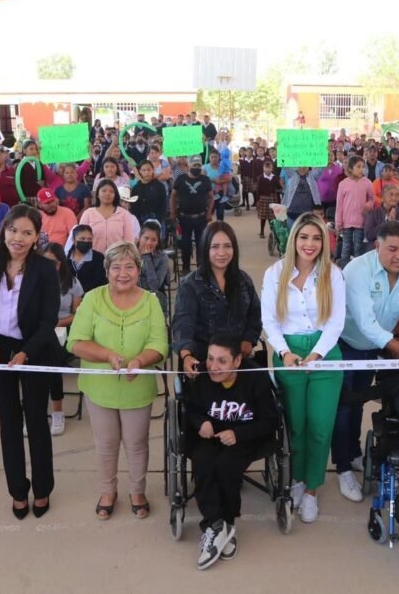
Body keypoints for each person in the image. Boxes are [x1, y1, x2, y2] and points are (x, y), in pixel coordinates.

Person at [334, 221, 399, 503]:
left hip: (373, 348)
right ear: (377, 246)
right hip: (345, 344)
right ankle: (342, 468)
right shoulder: (357, 270)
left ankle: (354, 453)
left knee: (358, 401)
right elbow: (366, 323)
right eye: (392, 249)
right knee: (344, 406)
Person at [0, 205, 61, 519]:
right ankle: (18, 491)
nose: (18, 238)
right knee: (8, 422)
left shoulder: (45, 269)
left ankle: (43, 489)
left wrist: (26, 353)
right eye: (13, 230)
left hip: (34, 349)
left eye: (26, 232)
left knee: (36, 420)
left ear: (36, 237)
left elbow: (48, 320)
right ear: (3, 230)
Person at [68, 241, 168, 521]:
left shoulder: (150, 301)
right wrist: (108, 356)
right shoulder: (92, 299)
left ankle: (137, 491)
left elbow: (160, 343)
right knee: (106, 443)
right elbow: (75, 342)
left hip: (138, 387)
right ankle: (107, 491)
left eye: (129, 267)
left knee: (137, 443)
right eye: (116, 267)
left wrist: (140, 361)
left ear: (138, 270)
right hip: (99, 389)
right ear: (107, 271)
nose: (122, 273)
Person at [260, 214, 345, 523]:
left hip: (325, 353)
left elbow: (336, 321)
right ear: (294, 239)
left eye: (317, 238)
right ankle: (296, 479)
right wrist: (284, 352)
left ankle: (311, 489)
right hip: (289, 353)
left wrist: (317, 354)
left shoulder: (333, 274)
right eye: (304, 237)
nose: (310, 244)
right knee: (295, 425)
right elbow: (269, 320)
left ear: (324, 242)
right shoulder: (275, 273)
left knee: (320, 426)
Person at [185, 334, 279, 569]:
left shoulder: (256, 378)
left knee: (227, 465)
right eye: (210, 358)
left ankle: (224, 523)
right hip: (210, 435)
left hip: (246, 436)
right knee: (203, 462)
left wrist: (239, 434)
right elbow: (190, 409)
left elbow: (270, 421)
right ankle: (217, 526)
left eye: (222, 361)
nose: (213, 366)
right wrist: (200, 423)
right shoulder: (201, 376)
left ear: (237, 361)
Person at [173, 222, 262, 378]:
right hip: (205, 362)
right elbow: (183, 323)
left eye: (227, 246)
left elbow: (254, 314)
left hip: (238, 360)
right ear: (205, 249)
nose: (221, 253)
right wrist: (186, 355)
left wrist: (248, 340)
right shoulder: (190, 285)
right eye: (215, 247)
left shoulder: (244, 281)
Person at [40, 243, 82, 436]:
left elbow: (77, 315)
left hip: (62, 328)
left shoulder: (71, 283)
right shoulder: (33, 280)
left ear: (61, 264)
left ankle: (57, 412)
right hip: (39, 329)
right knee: (34, 365)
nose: (50, 266)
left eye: (54, 263)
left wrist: (56, 323)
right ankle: (35, 412)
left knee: (53, 361)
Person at [171, 156, 213, 275]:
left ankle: (201, 268)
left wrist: (209, 213)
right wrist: (173, 213)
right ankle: (185, 268)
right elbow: (173, 196)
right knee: (185, 244)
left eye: (198, 165)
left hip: (201, 217)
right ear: (189, 166)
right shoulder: (180, 179)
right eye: (194, 165)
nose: (196, 167)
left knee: (201, 243)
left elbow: (211, 197)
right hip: (184, 218)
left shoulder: (205, 180)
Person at [334, 156, 374, 266]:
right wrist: (338, 222)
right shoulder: (343, 184)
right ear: (350, 168)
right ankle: (344, 268)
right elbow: (339, 205)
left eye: (363, 167)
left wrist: (368, 205)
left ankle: (357, 268)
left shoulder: (367, 183)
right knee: (346, 246)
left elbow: (372, 199)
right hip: (346, 222)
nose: (361, 169)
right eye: (358, 167)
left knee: (358, 247)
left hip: (360, 221)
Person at [80, 179, 136, 253]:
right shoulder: (88, 213)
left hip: (117, 257)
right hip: (93, 257)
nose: (107, 194)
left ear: (115, 195)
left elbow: (129, 241)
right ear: (97, 194)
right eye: (104, 191)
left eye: (111, 191)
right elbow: (81, 238)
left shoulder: (124, 214)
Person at [137, 220, 170, 317]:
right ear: (140, 237)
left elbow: (154, 286)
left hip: (154, 297)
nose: (149, 242)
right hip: (132, 296)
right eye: (146, 238)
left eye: (153, 240)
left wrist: (147, 258)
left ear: (158, 242)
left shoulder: (162, 258)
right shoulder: (131, 253)